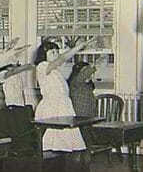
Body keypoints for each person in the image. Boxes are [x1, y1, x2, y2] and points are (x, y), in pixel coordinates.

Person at [34, 37, 96, 172]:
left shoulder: (56, 71)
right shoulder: (42, 66)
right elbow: (61, 59)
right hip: (52, 109)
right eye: (52, 52)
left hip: (64, 108)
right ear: (43, 55)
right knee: (52, 144)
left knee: (71, 144)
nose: (56, 54)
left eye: (57, 51)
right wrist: (77, 48)